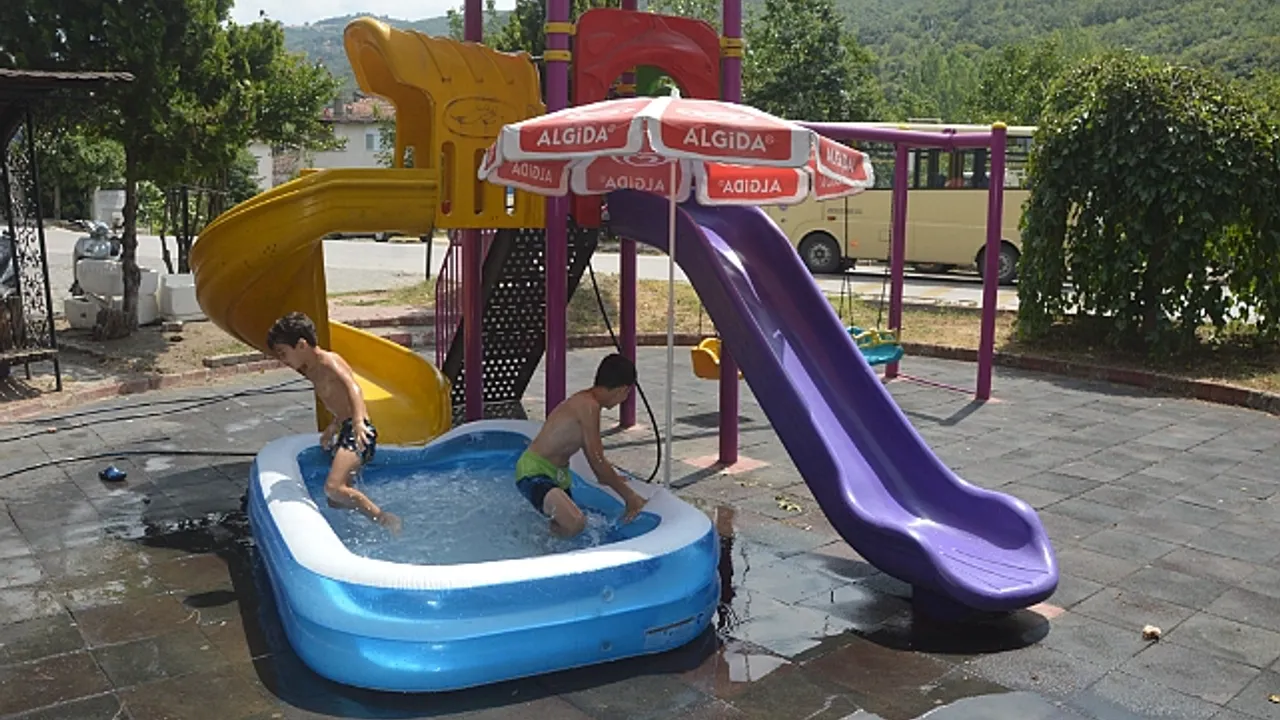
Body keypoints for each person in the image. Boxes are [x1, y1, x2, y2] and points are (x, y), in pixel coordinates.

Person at [266, 312, 401, 534]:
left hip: (359, 431)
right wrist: (333, 426)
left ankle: (385, 519)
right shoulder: (311, 370)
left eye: (283, 353)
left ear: (301, 345)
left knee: (333, 488)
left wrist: (358, 421)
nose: (283, 360)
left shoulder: (329, 361)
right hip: (346, 428)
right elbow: (339, 401)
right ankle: (366, 519)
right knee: (335, 500)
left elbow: (353, 388)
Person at [515, 353, 647, 537]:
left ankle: (545, 543)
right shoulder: (588, 406)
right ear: (623, 390)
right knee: (575, 523)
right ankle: (540, 549)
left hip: (557, 477)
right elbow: (597, 462)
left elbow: (597, 461)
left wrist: (612, 477)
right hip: (534, 473)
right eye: (626, 394)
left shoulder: (587, 402)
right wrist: (631, 498)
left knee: (571, 525)